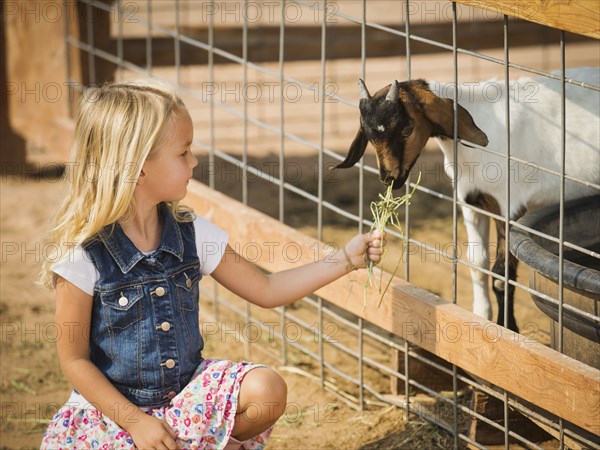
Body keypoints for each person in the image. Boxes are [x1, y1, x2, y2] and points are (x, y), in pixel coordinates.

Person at [39, 80, 384, 450]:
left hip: (186, 400)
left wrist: (345, 260)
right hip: (116, 414)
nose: (195, 161)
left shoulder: (192, 233)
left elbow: (267, 290)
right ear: (138, 167)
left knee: (265, 389)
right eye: (183, 152)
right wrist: (136, 422)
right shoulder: (83, 255)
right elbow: (74, 360)